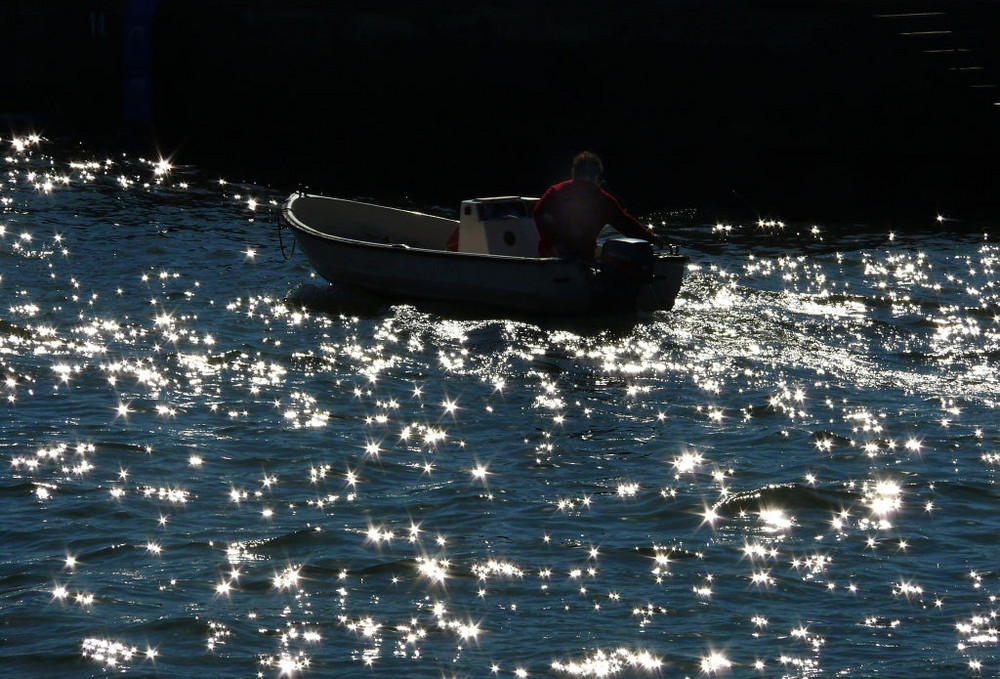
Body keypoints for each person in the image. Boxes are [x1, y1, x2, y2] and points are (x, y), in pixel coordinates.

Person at [533, 151, 663, 259]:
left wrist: (651, 238)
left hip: (583, 257)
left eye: (589, 176)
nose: (586, 181)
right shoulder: (558, 192)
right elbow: (539, 213)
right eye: (584, 176)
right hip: (552, 257)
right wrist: (554, 244)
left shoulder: (603, 201)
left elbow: (627, 225)